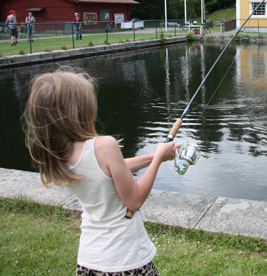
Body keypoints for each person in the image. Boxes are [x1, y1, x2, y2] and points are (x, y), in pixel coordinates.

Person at [23, 67, 179, 276]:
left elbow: (109, 170)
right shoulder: (104, 145)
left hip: (90, 260)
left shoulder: (57, 155)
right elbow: (134, 200)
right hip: (126, 259)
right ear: (79, 111)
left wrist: (154, 155)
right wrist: (159, 158)